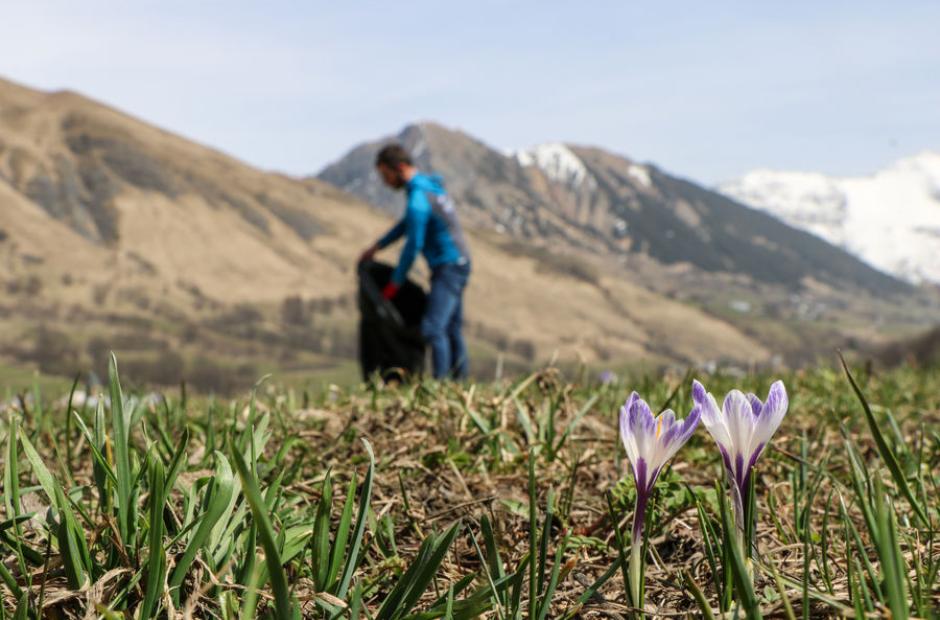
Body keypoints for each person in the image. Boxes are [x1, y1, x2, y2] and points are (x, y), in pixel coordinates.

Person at [358, 144, 472, 379]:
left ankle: (443, 385)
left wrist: (395, 283)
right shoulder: (428, 189)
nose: (385, 182)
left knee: (433, 328)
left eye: (386, 175)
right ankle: (459, 382)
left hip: (448, 266)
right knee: (451, 328)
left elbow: (412, 246)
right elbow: (406, 225)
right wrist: (378, 246)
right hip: (458, 262)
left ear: (398, 168)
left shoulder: (418, 198)